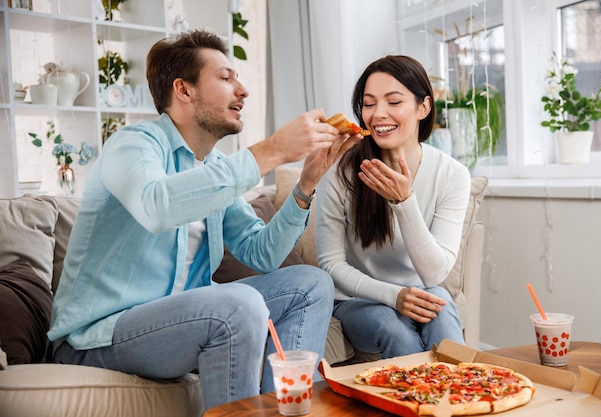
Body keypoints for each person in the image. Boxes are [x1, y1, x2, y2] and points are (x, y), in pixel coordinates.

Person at [47, 30, 362, 409]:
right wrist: (273, 151)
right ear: (184, 90)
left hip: (179, 326)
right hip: (98, 337)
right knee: (238, 303)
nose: (242, 90)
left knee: (310, 284)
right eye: (226, 78)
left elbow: (260, 253)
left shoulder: (212, 167)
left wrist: (307, 183)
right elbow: (157, 206)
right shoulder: (133, 144)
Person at [315, 55, 471, 359]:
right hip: (356, 300)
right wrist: (393, 296)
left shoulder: (452, 175)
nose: (378, 114)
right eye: (369, 104)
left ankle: (463, 399)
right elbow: (331, 265)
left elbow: (434, 273)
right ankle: (414, 404)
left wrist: (404, 202)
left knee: (439, 303)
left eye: (394, 101)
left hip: (420, 291)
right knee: (394, 327)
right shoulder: (340, 172)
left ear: (423, 107)